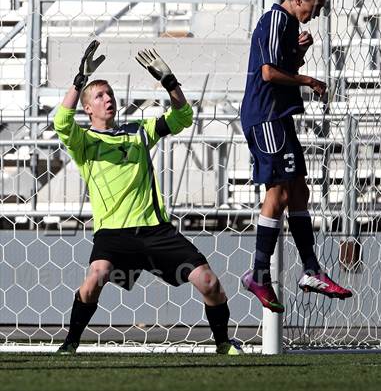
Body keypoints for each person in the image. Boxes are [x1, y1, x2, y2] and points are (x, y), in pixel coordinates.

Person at [54, 42, 242, 354]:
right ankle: (70, 344)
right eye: (99, 96)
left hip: (155, 229)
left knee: (209, 283)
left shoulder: (138, 131)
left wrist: (170, 82)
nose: (108, 99)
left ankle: (223, 343)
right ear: (88, 108)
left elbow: (182, 116)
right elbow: (61, 122)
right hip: (113, 233)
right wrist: (79, 82)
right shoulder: (84, 142)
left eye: (110, 93)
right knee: (94, 280)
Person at [240, 0, 353, 313]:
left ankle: (311, 270)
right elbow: (268, 74)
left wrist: (298, 54)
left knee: (299, 190)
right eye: (314, 7)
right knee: (279, 193)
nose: (315, 15)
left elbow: (280, 66)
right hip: (266, 116)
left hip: (279, 115)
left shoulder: (288, 26)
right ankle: (259, 273)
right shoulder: (276, 19)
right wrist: (307, 78)